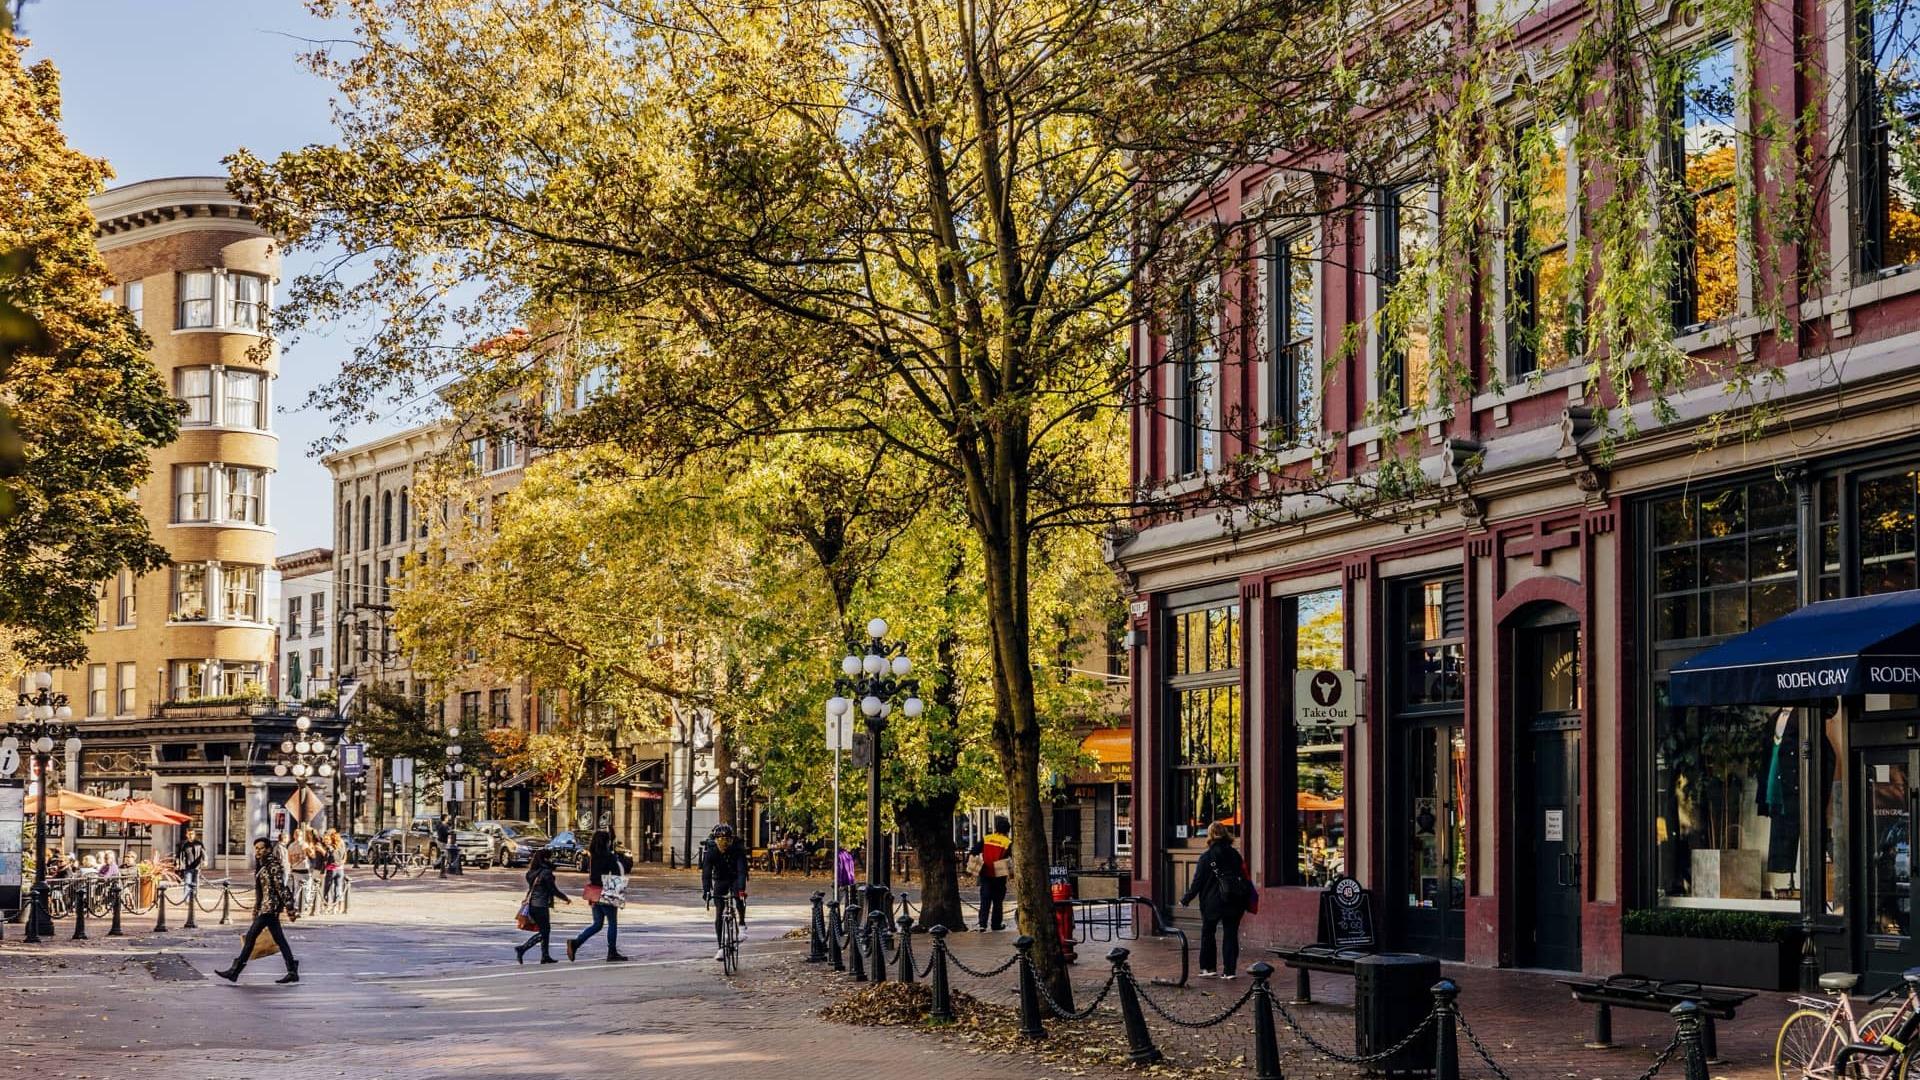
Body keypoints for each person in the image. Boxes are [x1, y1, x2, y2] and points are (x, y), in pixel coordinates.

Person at [216, 837, 299, 985]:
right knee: (279, 940)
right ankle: (292, 970)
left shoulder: (272, 865)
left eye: (261, 848)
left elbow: (281, 887)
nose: (258, 851)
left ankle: (234, 971)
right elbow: (260, 891)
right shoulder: (263, 865)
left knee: (251, 938)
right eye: (256, 848)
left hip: (270, 908)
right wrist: (256, 907)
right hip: (266, 908)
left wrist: (290, 907)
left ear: (268, 849)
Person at [1181, 822, 1250, 979]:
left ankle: (1208, 968)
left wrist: (1186, 898)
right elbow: (1244, 877)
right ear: (1226, 834)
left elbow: (1197, 882)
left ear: (1210, 835)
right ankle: (1229, 971)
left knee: (1208, 933)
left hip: (1213, 903)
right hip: (1234, 900)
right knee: (1231, 934)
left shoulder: (1206, 857)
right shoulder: (1235, 854)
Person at [566, 830, 631, 962]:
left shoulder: (593, 856)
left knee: (597, 924)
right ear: (606, 842)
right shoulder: (609, 856)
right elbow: (617, 872)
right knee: (612, 922)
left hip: (594, 891)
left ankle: (576, 943)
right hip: (607, 891)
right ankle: (611, 952)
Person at [701, 823, 750, 962]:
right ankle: (721, 947)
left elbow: (742, 871)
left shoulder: (737, 850)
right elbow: (706, 873)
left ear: (731, 840)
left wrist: (741, 889)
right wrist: (706, 890)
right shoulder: (711, 852)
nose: (724, 843)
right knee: (719, 912)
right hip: (720, 879)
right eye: (720, 840)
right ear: (715, 840)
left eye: (727, 840)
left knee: (739, 897)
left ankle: (741, 924)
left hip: (734, 877)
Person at [515, 848, 570, 963]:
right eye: (550, 858)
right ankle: (523, 948)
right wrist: (565, 898)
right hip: (541, 905)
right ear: (545, 859)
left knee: (545, 930)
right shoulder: (546, 873)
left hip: (532, 905)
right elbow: (553, 889)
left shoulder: (531, 873)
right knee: (544, 932)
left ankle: (545, 956)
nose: (552, 860)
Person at [969, 815, 1012, 932]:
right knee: (998, 901)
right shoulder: (1008, 842)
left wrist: (975, 866)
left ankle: (982, 924)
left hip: (986, 872)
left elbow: (974, 851)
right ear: (1007, 830)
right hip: (999, 873)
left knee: (985, 899)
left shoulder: (986, 838)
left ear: (996, 829)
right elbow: (1011, 858)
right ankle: (996, 924)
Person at [176, 830, 206, 902]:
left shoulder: (199, 844)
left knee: (196, 883)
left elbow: (203, 853)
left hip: (197, 867)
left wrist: (205, 860)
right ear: (186, 835)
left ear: (194, 835)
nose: (190, 835)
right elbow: (179, 855)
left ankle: (195, 898)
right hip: (187, 867)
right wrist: (178, 864)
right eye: (189, 834)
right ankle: (186, 899)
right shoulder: (184, 844)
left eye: (192, 834)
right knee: (187, 883)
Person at [320, 829, 345, 907]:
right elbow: (344, 856)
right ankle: (336, 906)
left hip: (331, 869)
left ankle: (326, 905)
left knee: (327, 888)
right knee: (338, 888)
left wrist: (322, 871)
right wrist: (341, 863)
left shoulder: (330, 847)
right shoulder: (342, 845)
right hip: (340, 869)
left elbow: (326, 860)